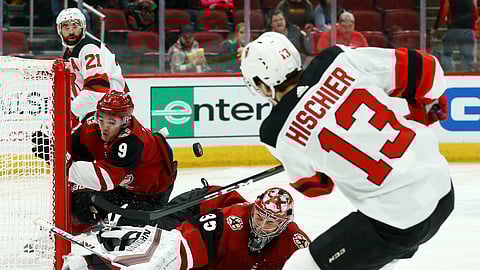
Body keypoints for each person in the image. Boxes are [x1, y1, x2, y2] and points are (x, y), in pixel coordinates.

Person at [240, 32, 454, 270]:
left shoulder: (274, 131)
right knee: (373, 257)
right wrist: (422, 106)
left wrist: (315, 156)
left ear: (260, 83)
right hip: (442, 188)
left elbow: (316, 187)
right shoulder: (336, 59)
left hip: (397, 223)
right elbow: (428, 71)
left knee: (300, 267)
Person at [61, 187, 311, 270]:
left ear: (286, 224)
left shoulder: (297, 243)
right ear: (252, 209)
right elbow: (177, 250)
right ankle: (91, 260)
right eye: (260, 217)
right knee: (153, 243)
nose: (262, 226)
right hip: (197, 207)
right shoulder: (230, 222)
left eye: (272, 222)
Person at [66, 91, 177, 233]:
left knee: (127, 231)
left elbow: (105, 179)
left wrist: (65, 165)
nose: (104, 127)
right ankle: (74, 234)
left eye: (112, 122)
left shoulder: (133, 141)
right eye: (101, 119)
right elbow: (74, 152)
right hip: (122, 185)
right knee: (80, 203)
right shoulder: (91, 125)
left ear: (125, 121)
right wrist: (52, 149)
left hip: (152, 193)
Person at [56, 7, 129, 122]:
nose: (71, 31)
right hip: (96, 113)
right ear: (59, 30)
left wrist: (68, 114)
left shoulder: (89, 49)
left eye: (75, 26)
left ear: (83, 27)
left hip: (112, 113)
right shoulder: (68, 55)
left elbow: (97, 91)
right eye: (66, 27)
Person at [432, 0, 479, 72]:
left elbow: (444, 10)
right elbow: (475, 11)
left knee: (446, 54)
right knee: (467, 58)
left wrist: (436, 27)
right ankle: (467, 78)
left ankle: (450, 74)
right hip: (468, 30)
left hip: (453, 29)